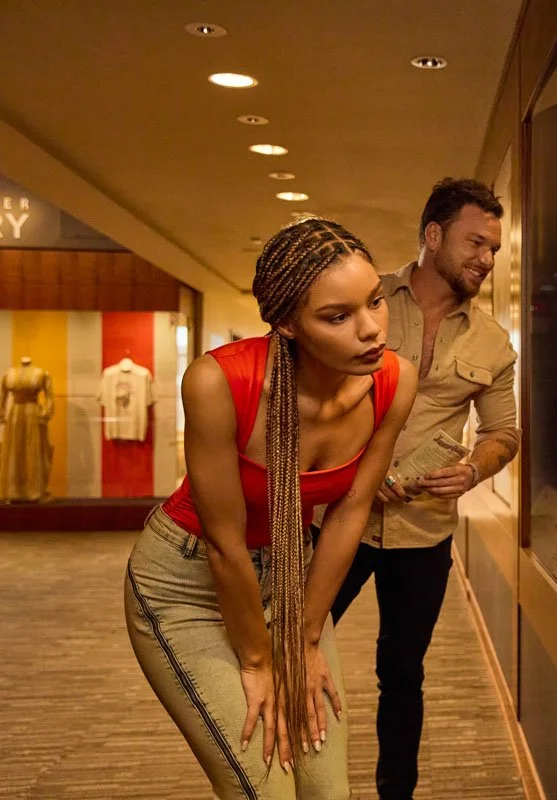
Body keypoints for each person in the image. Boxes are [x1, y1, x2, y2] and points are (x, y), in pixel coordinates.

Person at [124, 216, 418, 799]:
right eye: (337, 316)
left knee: (326, 789)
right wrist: (260, 662)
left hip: (288, 578)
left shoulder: (394, 381)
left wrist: (304, 640)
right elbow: (224, 542)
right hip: (189, 584)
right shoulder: (218, 382)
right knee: (266, 787)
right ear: (287, 323)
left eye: (375, 301)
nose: (371, 329)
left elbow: (351, 510)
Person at [323, 178, 519, 799]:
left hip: (424, 534)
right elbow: (306, 398)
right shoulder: (367, 301)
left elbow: (504, 432)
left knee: (403, 674)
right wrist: (356, 467)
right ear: (433, 235)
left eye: (493, 248)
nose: (486, 258)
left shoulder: (492, 342)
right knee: (297, 649)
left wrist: (474, 469)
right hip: (336, 520)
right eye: (475, 242)